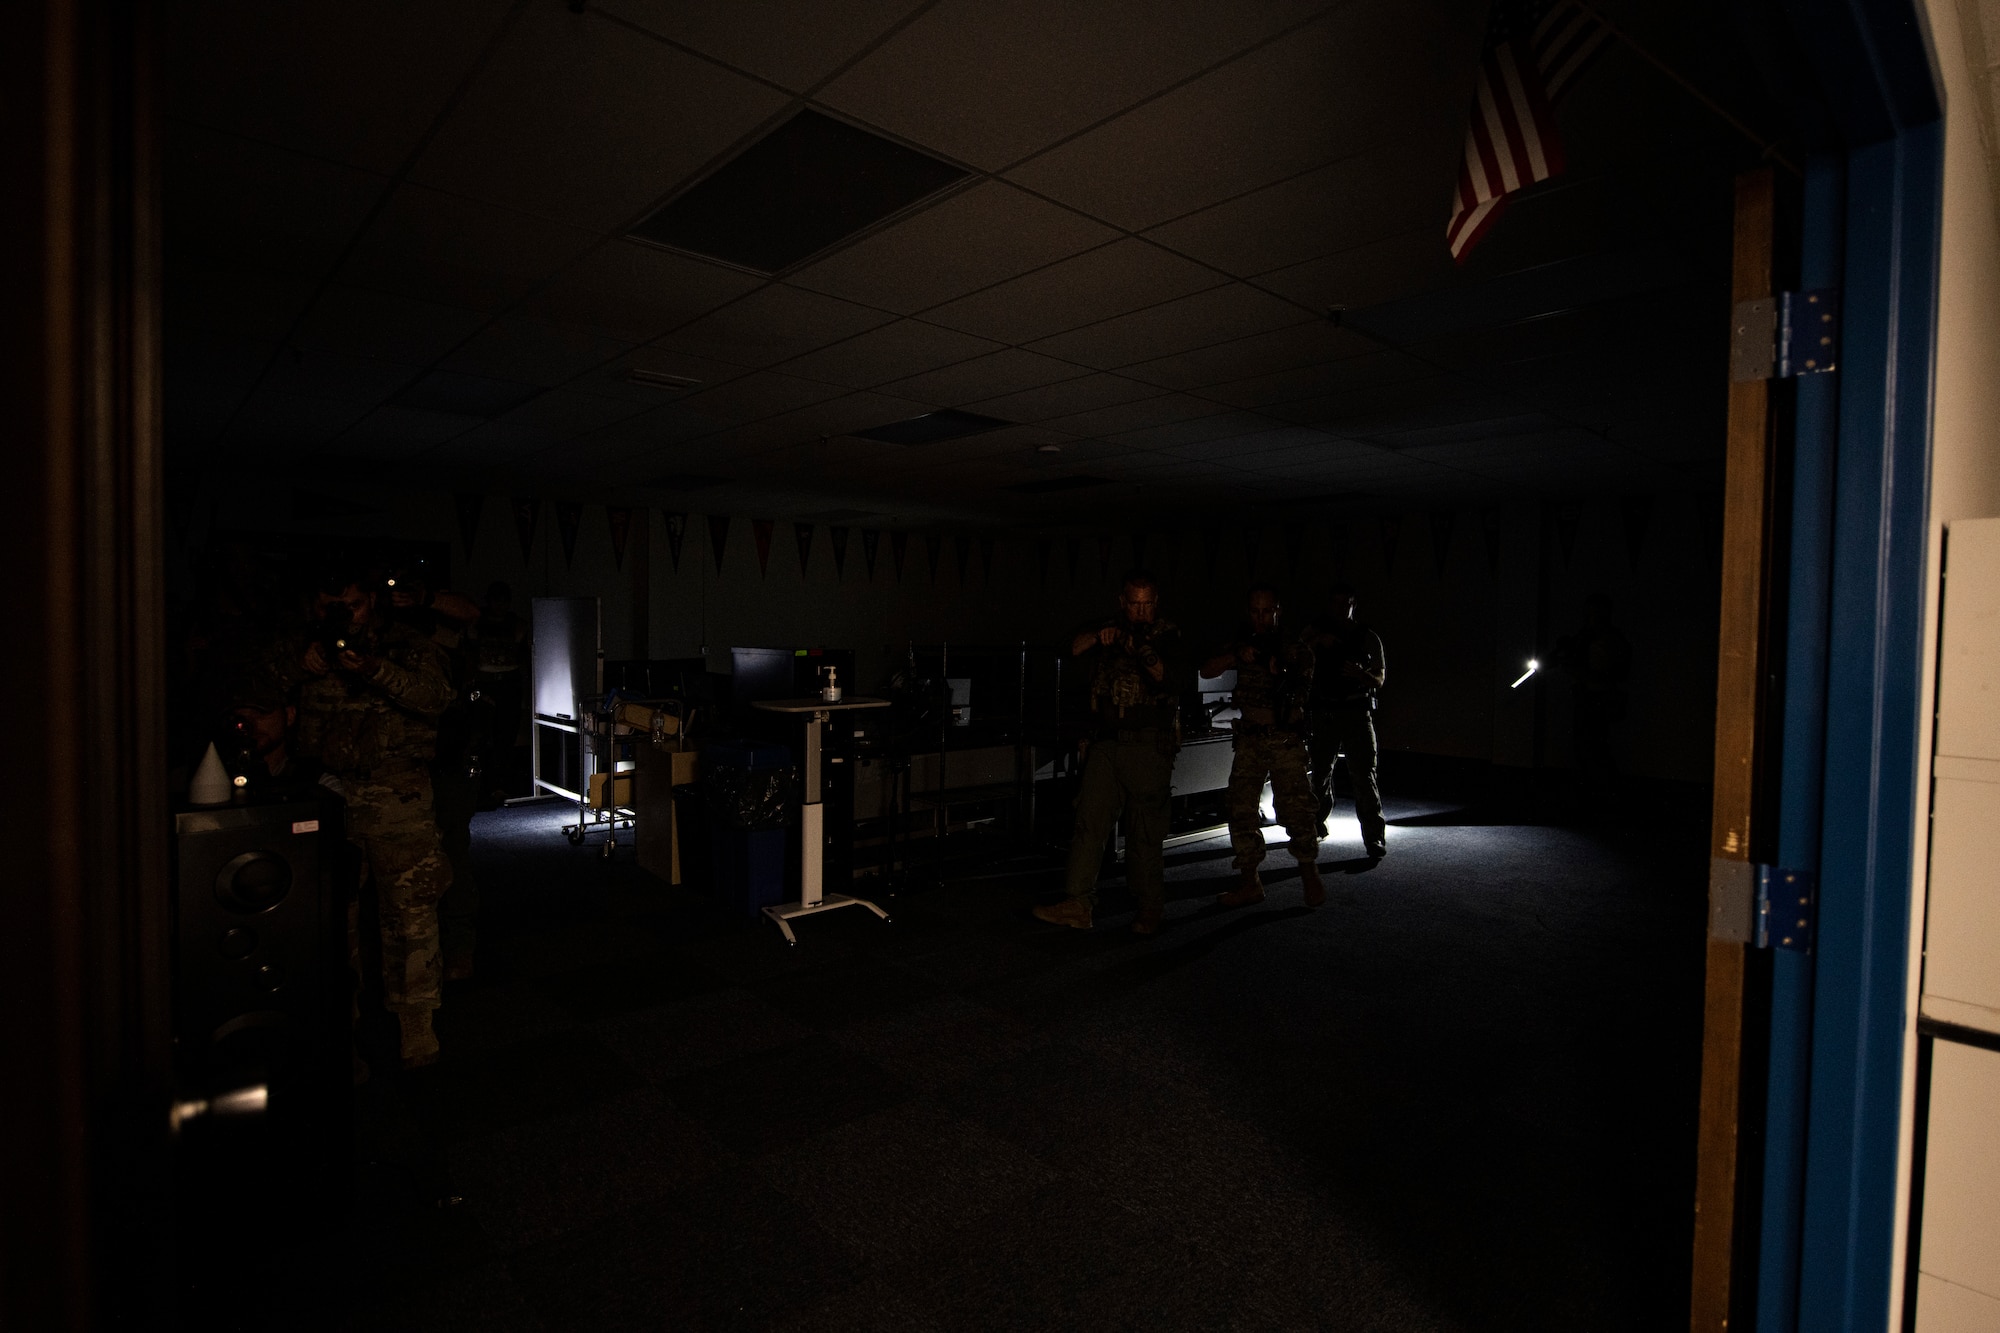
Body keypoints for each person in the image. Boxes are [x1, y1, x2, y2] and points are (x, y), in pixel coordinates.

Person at [282, 571, 456, 1069]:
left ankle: (416, 1027)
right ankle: (342, 1031)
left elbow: (435, 698)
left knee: (411, 914)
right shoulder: (308, 649)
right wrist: (301, 666)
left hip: (397, 795)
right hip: (329, 792)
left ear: (372, 602)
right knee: (332, 921)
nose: (340, 615)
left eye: (352, 605)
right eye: (329, 606)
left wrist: (376, 669)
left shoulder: (404, 645)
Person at [1034, 570, 1187, 936]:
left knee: (1144, 833)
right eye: (1134, 604)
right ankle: (1078, 903)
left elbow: (1170, 678)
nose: (1141, 611)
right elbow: (1066, 647)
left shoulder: (1168, 634)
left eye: (1147, 604)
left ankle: (1149, 908)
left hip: (1147, 745)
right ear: (1123, 602)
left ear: (1156, 603)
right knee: (1089, 822)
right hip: (1105, 742)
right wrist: (1099, 638)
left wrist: (1139, 648)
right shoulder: (1107, 628)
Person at [388, 575, 484, 983]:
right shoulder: (376, 634)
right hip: (392, 767)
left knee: (452, 855)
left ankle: (459, 947)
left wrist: (423, 597)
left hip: (443, 761)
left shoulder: (436, 627)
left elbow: (469, 613)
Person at [1203, 585, 1324, 908]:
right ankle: (1249, 883)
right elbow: (1207, 669)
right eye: (1255, 611)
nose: (1260, 618)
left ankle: (1310, 875)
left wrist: (1279, 668)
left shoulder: (1295, 649)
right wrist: (1236, 655)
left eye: (1266, 611)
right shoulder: (1244, 643)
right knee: (1240, 809)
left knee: (1296, 810)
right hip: (1251, 738)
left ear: (1277, 611)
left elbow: (1301, 686)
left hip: (1283, 738)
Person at [1306, 584, 1388, 860]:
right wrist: (1317, 643)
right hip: (1326, 712)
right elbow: (1294, 657)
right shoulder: (1316, 633)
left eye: (1347, 603)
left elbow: (1379, 678)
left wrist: (1360, 675)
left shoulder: (1367, 638)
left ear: (1354, 605)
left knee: (1364, 776)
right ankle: (1316, 823)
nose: (1341, 609)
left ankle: (1374, 837)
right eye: (1337, 603)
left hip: (1356, 711)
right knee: (1319, 773)